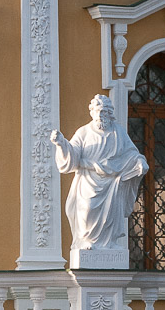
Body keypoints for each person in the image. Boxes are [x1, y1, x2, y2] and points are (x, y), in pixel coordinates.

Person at [51, 95, 148, 252]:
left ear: (109, 113)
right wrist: (61, 143)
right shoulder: (83, 132)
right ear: (92, 113)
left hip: (111, 183)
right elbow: (73, 157)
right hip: (88, 181)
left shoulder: (118, 132)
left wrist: (139, 162)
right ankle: (85, 241)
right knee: (87, 210)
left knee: (111, 216)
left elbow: (131, 152)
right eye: (98, 112)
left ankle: (109, 244)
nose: (101, 115)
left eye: (104, 112)